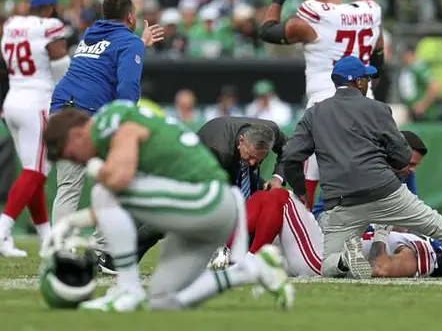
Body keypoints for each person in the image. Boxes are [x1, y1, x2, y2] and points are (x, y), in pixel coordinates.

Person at [42, 100, 294, 312]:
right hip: (208, 206)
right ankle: (253, 269)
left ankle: (128, 288)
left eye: (71, 155)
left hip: (209, 199)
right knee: (162, 301)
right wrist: (75, 220)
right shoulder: (112, 123)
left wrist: (74, 216)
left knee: (104, 189)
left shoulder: (110, 121)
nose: (77, 161)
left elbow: (120, 179)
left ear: (76, 135)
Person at [281, 55, 442, 280]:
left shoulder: (314, 114)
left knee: (327, 265)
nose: (368, 82)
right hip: (383, 191)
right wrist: (386, 162)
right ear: (359, 82)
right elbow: (402, 155)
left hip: (342, 201)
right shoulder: (377, 109)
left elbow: (291, 155)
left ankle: (343, 260)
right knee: (438, 225)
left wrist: (301, 189)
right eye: (366, 78)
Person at [259, 0, 385, 210]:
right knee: (364, 185)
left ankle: (309, 234)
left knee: (306, 188)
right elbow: (378, 58)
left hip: (324, 107)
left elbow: (267, 30)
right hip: (367, 106)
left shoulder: (312, 16)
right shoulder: (369, 11)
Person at [49, 0, 164, 271]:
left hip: (60, 110)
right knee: (114, 182)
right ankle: (101, 250)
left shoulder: (90, 34)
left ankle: (59, 251)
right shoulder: (129, 41)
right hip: (87, 116)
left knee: (68, 187)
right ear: (130, 17)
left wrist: (139, 44)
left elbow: (109, 55)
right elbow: (127, 87)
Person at [212, 188, 442, 279]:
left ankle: (246, 259)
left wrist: (381, 233)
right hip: (321, 246)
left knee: (281, 198)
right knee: (265, 198)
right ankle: (223, 250)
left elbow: (382, 268)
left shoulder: (428, 251)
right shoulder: (416, 239)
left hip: (321, 259)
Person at [0, 0, 70, 256]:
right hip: (37, 102)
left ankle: (46, 238)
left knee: (33, 174)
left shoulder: (12, 24)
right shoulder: (49, 26)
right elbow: (60, 61)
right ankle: (2, 230)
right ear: (50, 8)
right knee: (36, 172)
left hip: (12, 99)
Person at [197, 117, 288, 200]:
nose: (252, 163)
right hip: (207, 172)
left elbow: (289, 149)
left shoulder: (270, 132)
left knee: (270, 195)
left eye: (258, 158)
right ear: (241, 140)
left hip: (238, 166)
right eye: (250, 155)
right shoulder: (219, 151)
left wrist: (278, 178)